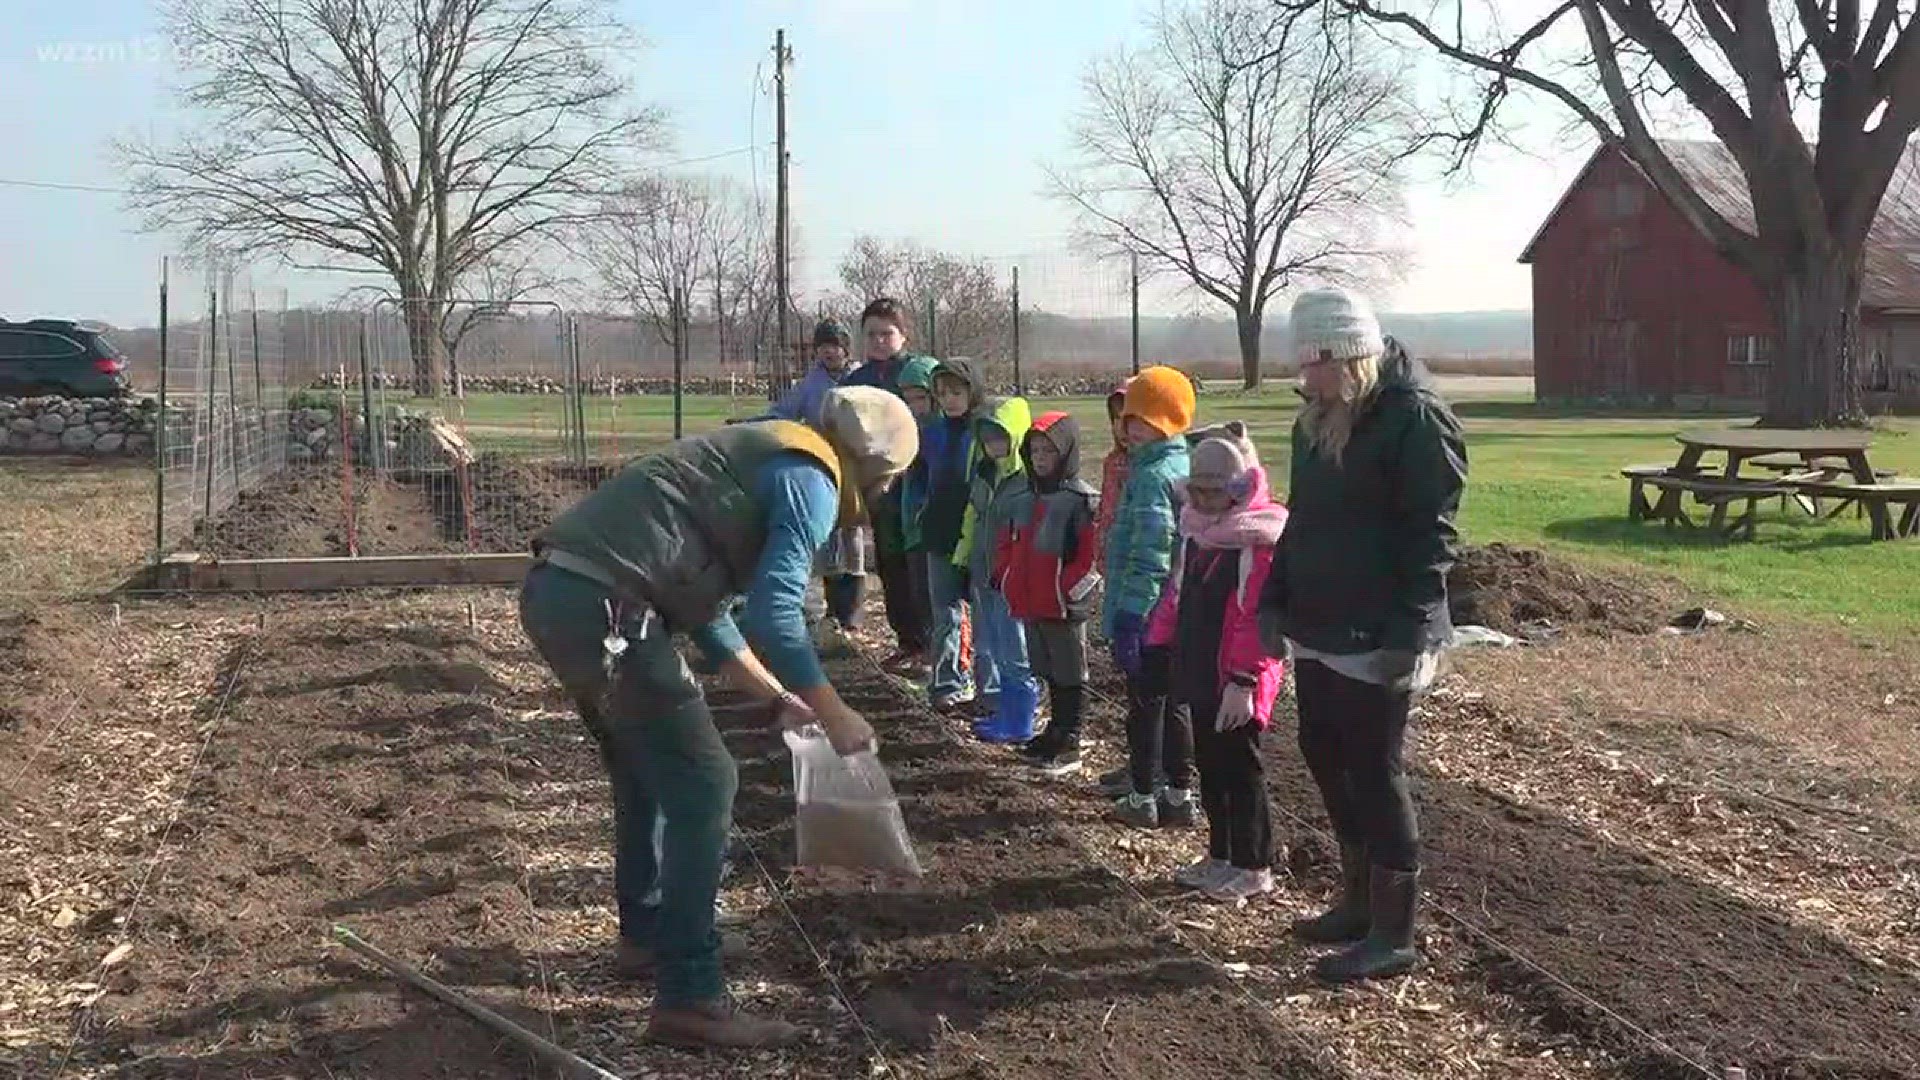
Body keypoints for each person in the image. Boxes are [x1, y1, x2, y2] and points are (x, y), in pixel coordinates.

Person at [519, 386, 918, 1048]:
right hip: (609, 609)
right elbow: (775, 613)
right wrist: (833, 709)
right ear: (877, 469)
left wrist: (773, 696)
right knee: (706, 783)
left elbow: (706, 608)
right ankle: (690, 998)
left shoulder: (762, 451)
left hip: (565, 593)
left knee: (647, 770)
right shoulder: (812, 479)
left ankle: (648, 934)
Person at [1257, 286, 1467, 984]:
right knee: (1323, 751)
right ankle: (1353, 902)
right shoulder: (1317, 419)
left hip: (1378, 628)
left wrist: (1411, 630)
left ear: (1347, 356)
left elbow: (1430, 534)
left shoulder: (1415, 420)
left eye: (1312, 364)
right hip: (1319, 619)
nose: (1302, 378)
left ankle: (1392, 932)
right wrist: (1274, 598)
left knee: (1375, 771)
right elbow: (1303, 519)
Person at [1143, 422, 1288, 901]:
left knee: (1241, 769)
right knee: (1210, 762)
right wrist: (1158, 643)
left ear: (1239, 489)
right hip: (1199, 666)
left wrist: (1244, 680)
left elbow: (1254, 618)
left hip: (1237, 678)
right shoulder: (1196, 535)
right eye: (1197, 492)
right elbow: (1177, 594)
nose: (1202, 502)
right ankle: (1221, 853)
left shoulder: (1256, 544)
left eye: (1213, 493)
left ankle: (1254, 863)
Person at [1101, 366, 1197, 829]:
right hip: (1176, 612)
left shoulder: (1153, 476)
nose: (1129, 427)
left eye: (1139, 419)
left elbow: (1151, 554)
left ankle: (1143, 796)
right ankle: (1179, 793)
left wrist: (1130, 616)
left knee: (1145, 709)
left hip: (1151, 616)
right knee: (1174, 706)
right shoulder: (1178, 466)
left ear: (1164, 421)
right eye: (1127, 419)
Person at [996, 411, 1100, 775]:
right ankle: (1054, 729)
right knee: (1048, 668)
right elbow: (1008, 542)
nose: (1040, 459)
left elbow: (1089, 556)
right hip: (1031, 601)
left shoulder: (1080, 500)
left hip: (1063, 605)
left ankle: (1071, 738)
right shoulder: (1026, 497)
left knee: (1072, 670)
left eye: (1049, 452)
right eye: (1035, 451)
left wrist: (1065, 590)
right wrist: (1005, 576)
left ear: (1067, 453)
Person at [764, 319, 866, 654]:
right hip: (825, 464)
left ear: (845, 349)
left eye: (834, 345)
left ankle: (853, 611)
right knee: (827, 531)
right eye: (822, 346)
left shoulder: (860, 378)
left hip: (857, 464)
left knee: (853, 534)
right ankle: (831, 609)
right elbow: (785, 411)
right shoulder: (811, 384)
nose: (828, 351)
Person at [840, 298, 931, 671]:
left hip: (919, 483)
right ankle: (907, 641)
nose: (879, 341)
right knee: (890, 562)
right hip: (879, 487)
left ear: (903, 336)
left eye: (886, 334)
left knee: (920, 564)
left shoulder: (918, 375)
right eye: (871, 334)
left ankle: (932, 644)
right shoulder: (856, 382)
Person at [955, 392, 1036, 742]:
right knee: (991, 644)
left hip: (1011, 581)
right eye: (986, 437)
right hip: (983, 574)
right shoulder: (984, 475)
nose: (993, 444)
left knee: (1014, 648)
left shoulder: (1026, 483)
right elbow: (972, 518)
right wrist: (963, 556)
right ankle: (1004, 711)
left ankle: (1021, 720)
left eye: (1000, 435)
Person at [917, 359, 987, 712]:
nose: (949, 400)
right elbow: (919, 476)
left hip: (976, 534)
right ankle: (947, 682)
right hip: (939, 532)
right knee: (945, 611)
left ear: (972, 391)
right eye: (942, 393)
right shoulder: (933, 431)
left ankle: (992, 686)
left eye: (957, 392)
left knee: (985, 613)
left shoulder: (985, 431)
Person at [888, 356, 943, 678]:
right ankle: (927, 652)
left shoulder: (938, 433)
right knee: (918, 593)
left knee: (937, 598)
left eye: (920, 398)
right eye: (907, 399)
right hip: (911, 524)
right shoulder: (910, 429)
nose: (914, 405)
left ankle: (942, 661)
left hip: (931, 526)